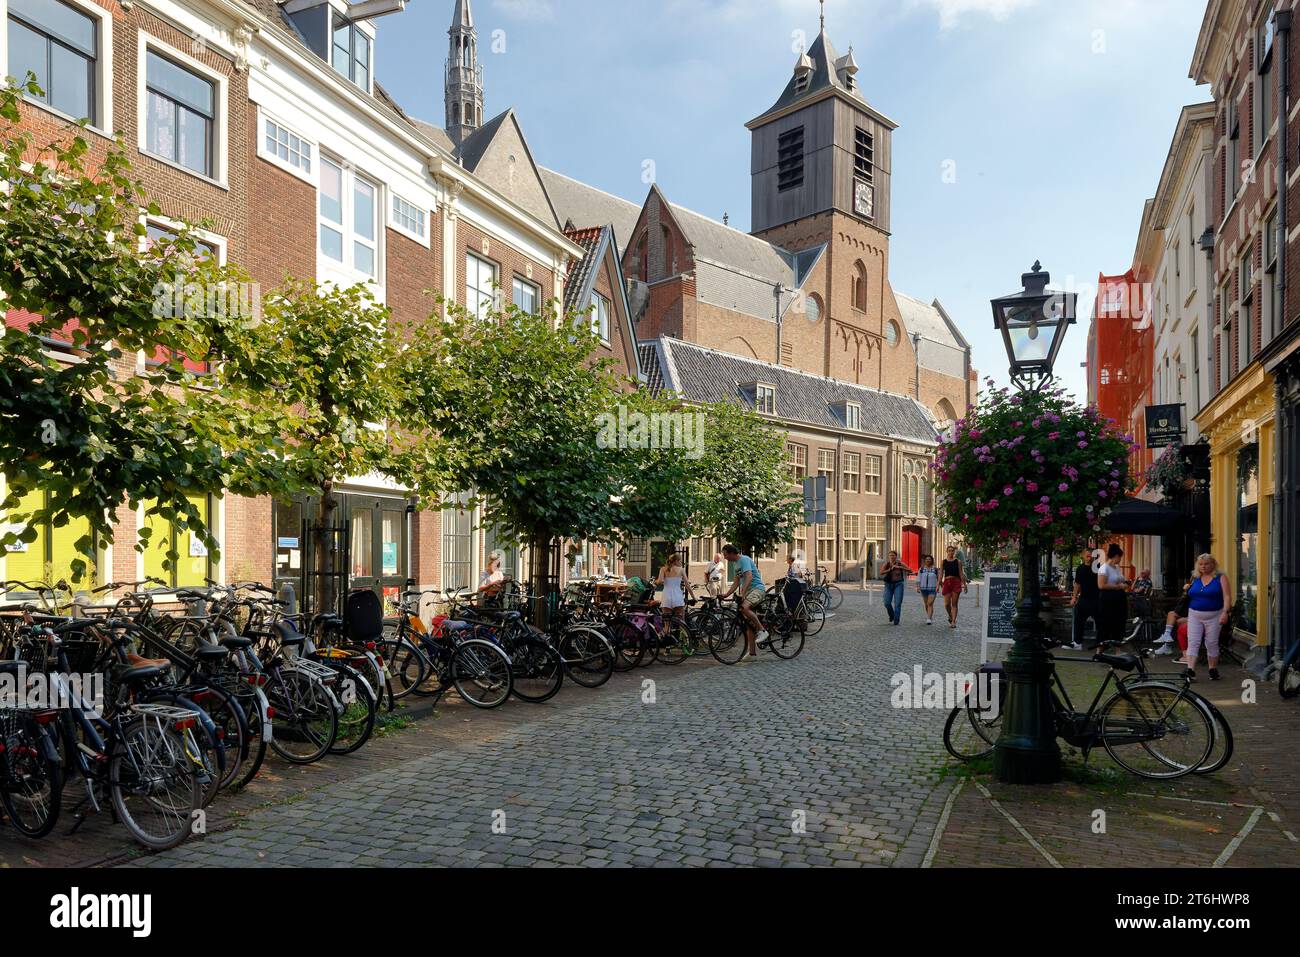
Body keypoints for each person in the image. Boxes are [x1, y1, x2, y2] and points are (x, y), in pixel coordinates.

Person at [1181, 554, 1232, 682]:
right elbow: (1190, 594)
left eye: (1206, 564)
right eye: (1201, 564)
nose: (1203, 566)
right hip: (1194, 614)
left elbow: (1227, 597)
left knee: (1211, 642)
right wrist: (1186, 589)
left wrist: (1225, 612)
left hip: (1214, 615)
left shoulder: (1221, 578)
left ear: (1213, 564)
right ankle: (1190, 670)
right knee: (1193, 641)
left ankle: (1213, 669)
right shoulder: (1195, 577)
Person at [720, 544, 767, 660]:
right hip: (749, 592)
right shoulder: (736, 565)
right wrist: (726, 594)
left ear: (731, 553)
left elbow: (749, 577)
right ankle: (752, 653)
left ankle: (762, 630)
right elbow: (736, 583)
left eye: (726, 555)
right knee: (748, 624)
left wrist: (742, 593)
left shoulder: (744, 560)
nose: (725, 558)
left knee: (744, 608)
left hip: (757, 589)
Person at [1068, 545, 1102, 651]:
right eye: (1086, 555)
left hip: (1097, 599)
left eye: (1090, 555)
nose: (1089, 557)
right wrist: (1074, 597)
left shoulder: (1098, 567)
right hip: (1084, 599)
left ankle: (1100, 644)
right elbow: (1077, 584)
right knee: (1078, 620)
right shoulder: (1080, 568)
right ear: (1082, 556)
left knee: (1100, 622)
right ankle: (1077, 643)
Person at [1096, 543, 1130, 645]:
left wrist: (1125, 583)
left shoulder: (1117, 568)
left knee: (1119, 624)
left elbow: (1119, 580)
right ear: (1115, 556)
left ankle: (1117, 649)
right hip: (1108, 599)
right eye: (1120, 557)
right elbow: (1101, 585)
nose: (1120, 560)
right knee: (1106, 623)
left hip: (1119, 599)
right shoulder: (1104, 568)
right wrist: (1119, 587)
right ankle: (1100, 648)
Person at [656, 552, 694, 628]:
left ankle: (667, 637)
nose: (681, 563)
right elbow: (687, 585)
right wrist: (693, 597)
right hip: (677, 596)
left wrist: (655, 581)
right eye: (680, 561)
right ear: (676, 561)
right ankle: (682, 638)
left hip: (666, 596)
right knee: (682, 622)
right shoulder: (681, 570)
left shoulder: (663, 569)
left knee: (667, 623)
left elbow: (660, 581)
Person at [940, 546, 968, 630]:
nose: (951, 552)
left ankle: (953, 621)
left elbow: (961, 573)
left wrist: (964, 584)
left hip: (956, 582)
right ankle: (950, 615)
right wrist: (938, 584)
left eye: (952, 551)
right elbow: (941, 573)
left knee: (954, 604)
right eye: (949, 551)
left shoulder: (958, 561)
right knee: (946, 604)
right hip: (947, 582)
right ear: (946, 551)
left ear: (954, 552)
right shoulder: (943, 562)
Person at [880, 551, 911, 626]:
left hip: (898, 584)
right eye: (890, 555)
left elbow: (910, 570)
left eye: (893, 555)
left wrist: (899, 567)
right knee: (887, 603)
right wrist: (889, 569)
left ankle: (896, 620)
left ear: (896, 556)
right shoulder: (887, 564)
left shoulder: (900, 563)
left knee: (897, 603)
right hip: (888, 585)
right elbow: (881, 572)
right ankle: (892, 615)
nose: (891, 557)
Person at [916, 555, 939, 626]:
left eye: (929, 559)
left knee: (930, 603)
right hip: (923, 589)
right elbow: (918, 578)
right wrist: (918, 587)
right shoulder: (921, 569)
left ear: (932, 560)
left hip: (932, 589)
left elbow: (939, 579)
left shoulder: (935, 569)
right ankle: (930, 616)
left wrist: (939, 586)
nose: (928, 560)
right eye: (926, 559)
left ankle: (928, 618)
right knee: (926, 604)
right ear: (925, 561)